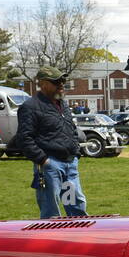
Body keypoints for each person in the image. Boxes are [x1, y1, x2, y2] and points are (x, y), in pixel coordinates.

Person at [18, 66, 87, 218]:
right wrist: (43, 160)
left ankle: (79, 237)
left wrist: (75, 152)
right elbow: (25, 138)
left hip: (70, 164)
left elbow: (71, 129)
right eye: (57, 81)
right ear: (43, 84)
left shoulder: (62, 104)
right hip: (50, 165)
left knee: (77, 206)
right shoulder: (30, 107)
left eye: (63, 80)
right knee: (51, 210)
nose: (61, 84)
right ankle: (50, 240)